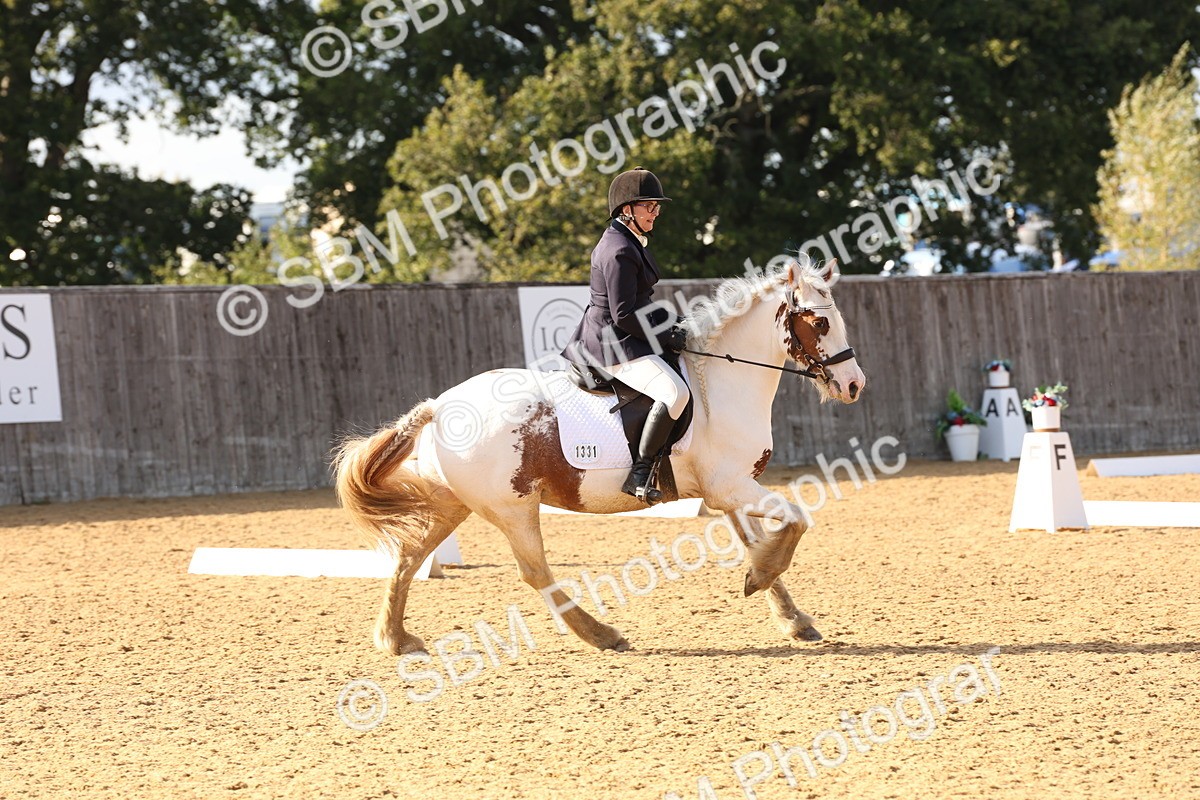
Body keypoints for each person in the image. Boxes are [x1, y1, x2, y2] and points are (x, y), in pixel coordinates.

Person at [561, 167, 690, 504]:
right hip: (610, 344)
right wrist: (664, 335)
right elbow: (624, 314)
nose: (655, 213)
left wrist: (676, 321)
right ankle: (641, 473)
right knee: (675, 393)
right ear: (626, 209)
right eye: (650, 206)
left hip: (623, 334)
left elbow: (639, 303)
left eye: (657, 207)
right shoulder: (619, 250)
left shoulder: (629, 241)